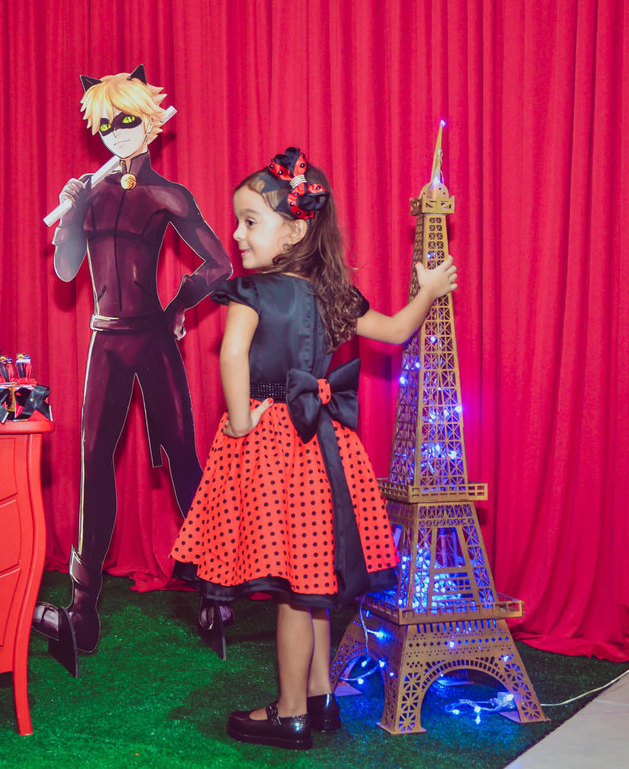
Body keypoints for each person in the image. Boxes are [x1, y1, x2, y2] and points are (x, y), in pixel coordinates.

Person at [170, 148, 458, 750]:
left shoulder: (251, 292)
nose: (237, 233)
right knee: (313, 580)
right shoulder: (335, 295)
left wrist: (241, 422)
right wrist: (429, 289)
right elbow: (397, 330)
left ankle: (291, 712)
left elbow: (232, 354)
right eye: (239, 220)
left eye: (250, 221)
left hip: (273, 444)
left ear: (295, 231)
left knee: (293, 593)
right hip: (327, 445)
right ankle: (323, 699)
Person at [34, 66, 231, 666]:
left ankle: (215, 591)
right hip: (106, 341)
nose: (117, 132)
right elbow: (65, 270)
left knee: (182, 455)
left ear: (150, 123)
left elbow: (219, 265)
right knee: (93, 462)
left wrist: (177, 307)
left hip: (152, 339)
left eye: (127, 120)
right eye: (106, 123)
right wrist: (72, 211)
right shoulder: (90, 193)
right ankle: (83, 606)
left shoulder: (168, 194)